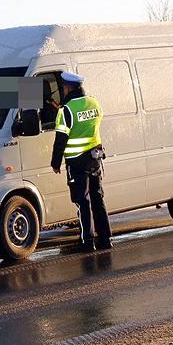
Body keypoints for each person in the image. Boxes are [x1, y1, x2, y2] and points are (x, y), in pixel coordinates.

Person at [50, 71, 112, 251]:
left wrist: (55, 162)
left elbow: (60, 139)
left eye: (64, 87)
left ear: (68, 88)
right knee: (98, 197)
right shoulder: (94, 102)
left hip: (77, 162)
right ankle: (106, 238)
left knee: (82, 201)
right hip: (95, 157)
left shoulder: (66, 110)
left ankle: (87, 241)